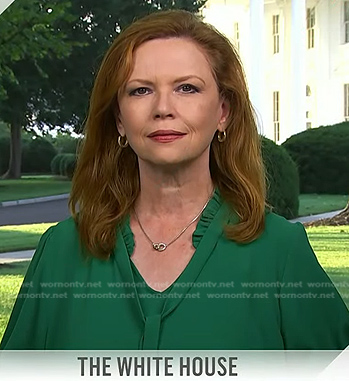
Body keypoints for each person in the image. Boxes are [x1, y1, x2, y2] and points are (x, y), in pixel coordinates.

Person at [1, 10, 349, 351]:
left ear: (223, 112)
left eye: (187, 88)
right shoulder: (60, 252)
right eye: (140, 90)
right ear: (119, 119)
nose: (163, 107)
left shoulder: (280, 252)